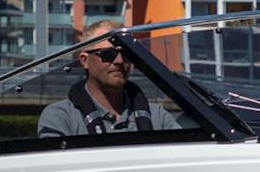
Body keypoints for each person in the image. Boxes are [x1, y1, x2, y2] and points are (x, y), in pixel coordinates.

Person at [38, 19, 185, 137]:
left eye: (126, 54)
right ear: (84, 60)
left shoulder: (157, 116)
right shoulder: (60, 117)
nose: (119, 61)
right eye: (108, 54)